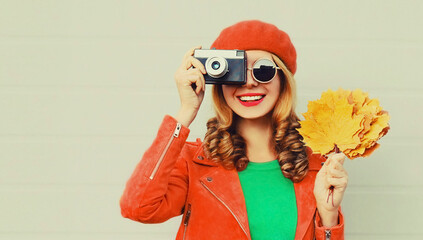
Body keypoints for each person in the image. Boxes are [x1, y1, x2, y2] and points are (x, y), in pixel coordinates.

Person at [120, 20, 348, 240]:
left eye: (263, 70)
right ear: (219, 81)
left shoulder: (316, 165)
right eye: (235, 71)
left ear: (283, 80)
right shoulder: (195, 164)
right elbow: (137, 207)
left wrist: (329, 217)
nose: (249, 82)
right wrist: (186, 110)